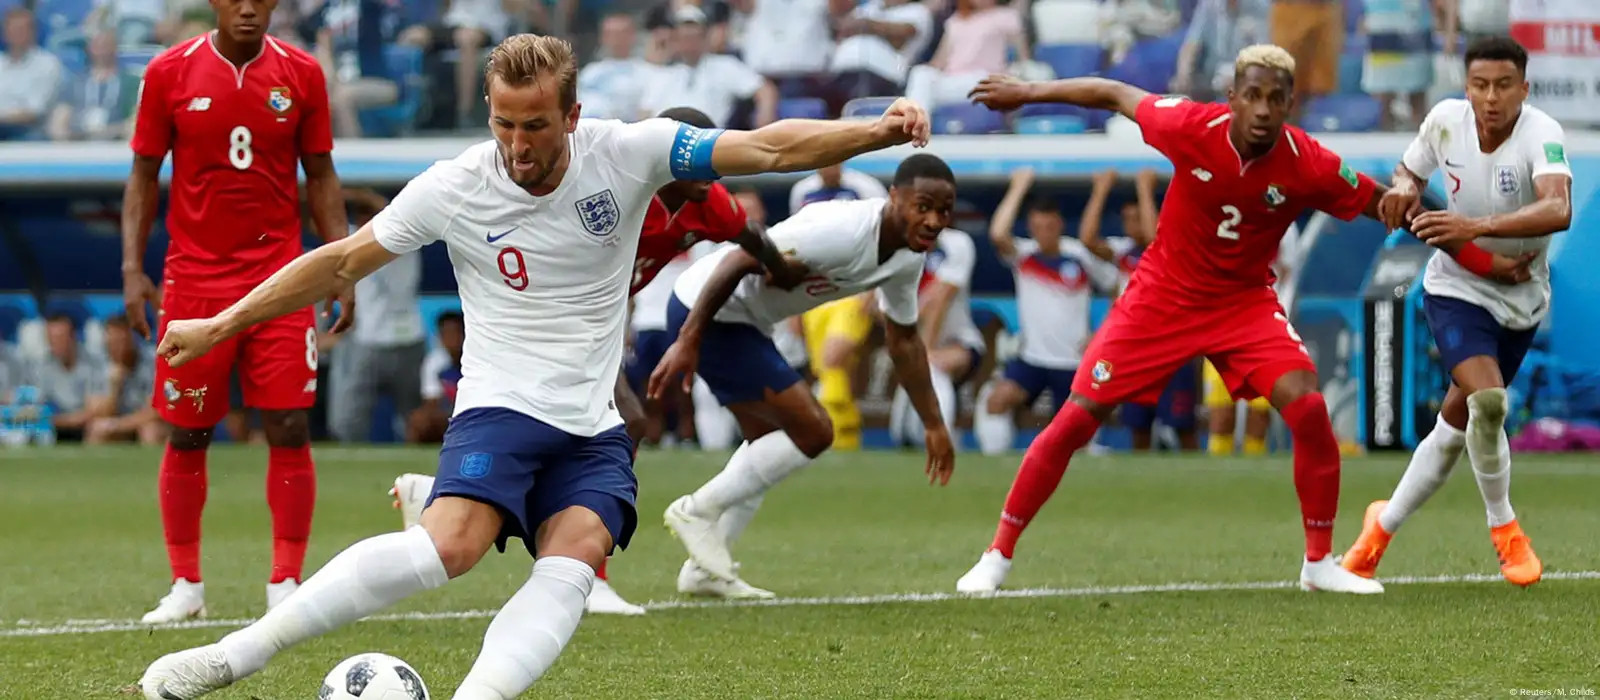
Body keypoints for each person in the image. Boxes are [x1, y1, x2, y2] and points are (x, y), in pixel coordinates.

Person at [137, 33, 931, 700]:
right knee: (451, 547)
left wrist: (874, 134)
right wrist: (223, 322)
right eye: (504, 125)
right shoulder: (456, 186)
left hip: (591, 421)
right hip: (501, 405)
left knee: (578, 553)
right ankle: (238, 655)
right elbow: (341, 260)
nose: (518, 145)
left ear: (573, 115)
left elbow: (763, 146)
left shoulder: (628, 151)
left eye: (536, 126)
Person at [951, 44, 1534, 596]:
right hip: (1163, 296)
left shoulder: (1309, 163)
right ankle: (996, 556)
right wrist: (1026, 92)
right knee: (1079, 417)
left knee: (1307, 406)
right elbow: (1110, 92)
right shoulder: (1187, 126)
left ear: (1289, 103)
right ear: (1231, 96)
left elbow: (1395, 209)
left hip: (1242, 304)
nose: (1261, 110)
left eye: (1274, 99)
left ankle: (1318, 564)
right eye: (1251, 95)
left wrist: (1485, 259)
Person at [388, 105, 804, 614]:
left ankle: (450, 498)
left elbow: (750, 236)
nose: (707, 173)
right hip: (541, 321)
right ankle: (586, 575)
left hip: (595, 331)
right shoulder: (621, 190)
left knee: (613, 426)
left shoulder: (707, 201)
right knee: (622, 421)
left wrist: (780, 268)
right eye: (693, 158)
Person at [122, 0, 351, 624]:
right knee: (189, 430)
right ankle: (186, 586)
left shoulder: (302, 73)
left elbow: (322, 174)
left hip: (280, 276)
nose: (247, 8)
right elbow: (143, 175)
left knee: (289, 425)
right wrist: (132, 269)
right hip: (193, 280)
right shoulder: (170, 72)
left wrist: (341, 266)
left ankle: (285, 582)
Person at [650, 153, 959, 593]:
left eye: (943, 211)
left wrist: (933, 423)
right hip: (708, 309)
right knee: (814, 432)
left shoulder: (908, 257)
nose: (932, 220)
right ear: (894, 198)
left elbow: (904, 341)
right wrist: (688, 338)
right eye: (922, 205)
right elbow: (739, 258)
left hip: (744, 322)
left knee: (766, 449)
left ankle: (704, 573)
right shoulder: (843, 228)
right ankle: (696, 511)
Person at [1340, 37, 1568, 588]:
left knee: (1454, 426)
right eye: (1480, 85)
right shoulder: (1445, 121)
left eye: (1504, 85)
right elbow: (1410, 171)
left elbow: (1557, 207)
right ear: (1466, 87)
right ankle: (1506, 530)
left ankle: (1379, 529)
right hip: (1455, 289)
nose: (1491, 97)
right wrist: (1402, 186)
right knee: (1489, 402)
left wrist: (1474, 226)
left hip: (1522, 297)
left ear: (1524, 89)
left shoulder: (1542, 133)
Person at [973, 167, 1121, 455]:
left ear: (1059, 225)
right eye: (1037, 228)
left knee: (1076, 435)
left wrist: (1103, 332)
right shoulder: (1025, 256)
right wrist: (1019, 186)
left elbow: (1118, 285)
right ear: (1030, 228)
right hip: (1033, 359)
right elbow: (997, 233)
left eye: (1049, 227)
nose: (1043, 234)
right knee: (997, 401)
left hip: (1073, 362)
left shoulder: (1078, 255)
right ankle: (996, 464)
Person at [888, 225, 986, 447]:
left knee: (932, 368)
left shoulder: (957, 244)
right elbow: (881, 308)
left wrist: (925, 350)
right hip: (913, 346)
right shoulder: (897, 250)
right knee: (902, 427)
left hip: (960, 342)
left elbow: (939, 301)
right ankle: (914, 439)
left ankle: (943, 439)